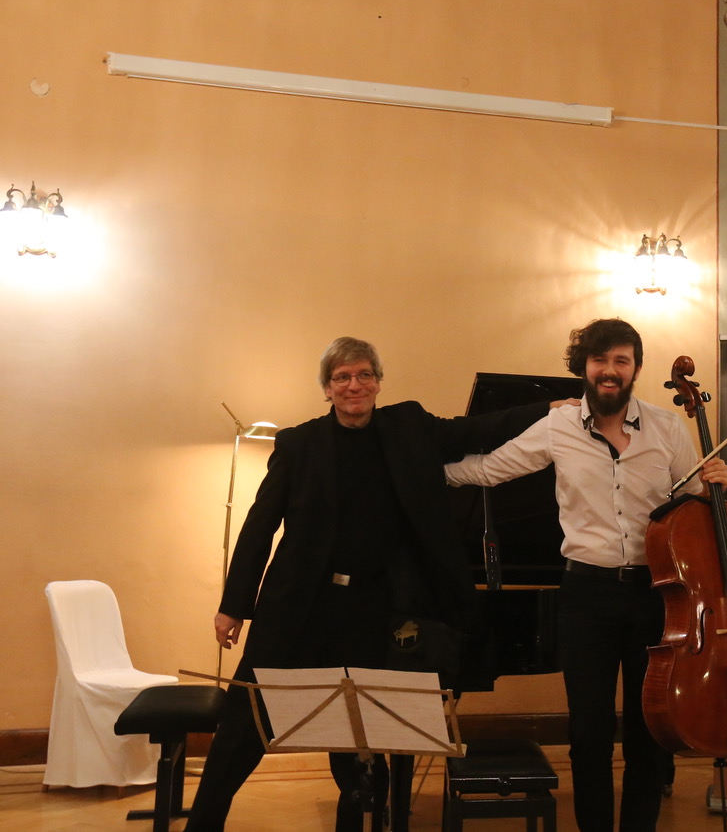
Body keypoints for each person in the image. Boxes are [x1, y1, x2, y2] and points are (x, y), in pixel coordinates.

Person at [185, 336, 550, 832]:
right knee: (243, 724)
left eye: (363, 375)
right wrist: (234, 605)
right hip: (299, 606)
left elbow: (478, 429)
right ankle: (203, 824)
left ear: (378, 382)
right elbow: (259, 526)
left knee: (362, 735)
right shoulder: (298, 444)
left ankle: (358, 818)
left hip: (376, 610)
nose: (353, 385)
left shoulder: (409, 427)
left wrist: (548, 409)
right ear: (327, 388)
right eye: (342, 377)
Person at [444, 318, 727, 832]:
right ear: (584, 368)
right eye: (600, 360)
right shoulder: (558, 426)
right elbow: (488, 469)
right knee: (588, 733)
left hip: (656, 596)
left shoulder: (668, 428)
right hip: (585, 595)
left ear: (635, 369)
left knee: (650, 729)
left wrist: (716, 485)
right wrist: (416, 470)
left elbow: (692, 505)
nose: (610, 370)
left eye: (621, 360)